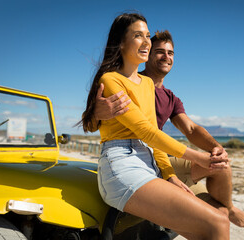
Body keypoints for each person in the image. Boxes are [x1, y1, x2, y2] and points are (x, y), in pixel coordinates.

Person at [80, 13, 231, 239]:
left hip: (149, 161)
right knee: (217, 224)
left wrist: (170, 175)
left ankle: (230, 209)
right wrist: (199, 157)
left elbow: (158, 134)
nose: (146, 41)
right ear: (121, 42)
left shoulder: (148, 84)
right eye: (138, 35)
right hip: (122, 163)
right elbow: (145, 131)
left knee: (216, 223)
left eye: (147, 36)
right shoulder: (111, 79)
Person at [93, 30, 244, 228]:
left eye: (170, 53)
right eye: (160, 51)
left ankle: (228, 208)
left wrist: (216, 148)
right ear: (147, 54)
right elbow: (110, 124)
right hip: (138, 156)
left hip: (161, 156)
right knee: (214, 212)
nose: (166, 57)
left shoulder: (170, 97)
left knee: (222, 169)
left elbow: (191, 129)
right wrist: (96, 113)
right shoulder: (130, 82)